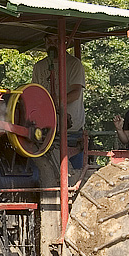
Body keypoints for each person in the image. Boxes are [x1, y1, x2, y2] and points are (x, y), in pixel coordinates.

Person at [32, 33, 86, 168]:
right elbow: (35, 93)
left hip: (71, 131)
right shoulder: (39, 66)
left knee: (74, 171)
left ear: (65, 42)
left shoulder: (74, 64)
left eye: (56, 40)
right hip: (45, 129)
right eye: (49, 41)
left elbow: (75, 93)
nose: (52, 44)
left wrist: (53, 102)